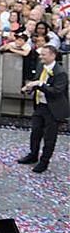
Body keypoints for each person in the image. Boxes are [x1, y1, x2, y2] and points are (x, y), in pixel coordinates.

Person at [17, 45, 70, 173]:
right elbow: (36, 82)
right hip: (40, 105)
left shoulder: (61, 72)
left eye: (44, 55)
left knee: (49, 137)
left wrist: (40, 85)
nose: (40, 57)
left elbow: (56, 91)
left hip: (53, 109)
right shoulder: (41, 66)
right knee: (35, 132)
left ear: (53, 56)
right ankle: (33, 155)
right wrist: (29, 88)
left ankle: (44, 161)